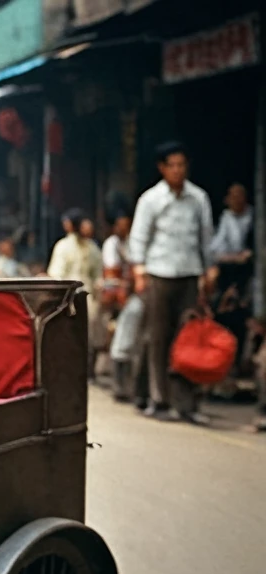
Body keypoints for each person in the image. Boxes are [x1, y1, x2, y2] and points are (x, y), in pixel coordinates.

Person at [128, 141, 217, 423]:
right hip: (158, 274)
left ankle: (187, 404)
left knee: (188, 340)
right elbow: (139, 237)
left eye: (182, 165)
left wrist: (209, 269)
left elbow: (206, 237)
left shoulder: (198, 198)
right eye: (172, 165)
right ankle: (159, 399)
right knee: (158, 338)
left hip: (189, 273)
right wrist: (139, 272)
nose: (178, 170)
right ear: (162, 168)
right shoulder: (151, 200)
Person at [48, 209, 104, 378]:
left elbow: (98, 275)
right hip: (69, 296)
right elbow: (57, 274)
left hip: (83, 296)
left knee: (87, 333)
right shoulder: (64, 246)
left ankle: (85, 368)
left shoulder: (91, 247)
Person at [208, 183, 254, 375]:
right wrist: (234, 258)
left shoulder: (254, 218)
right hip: (228, 276)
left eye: (239, 195)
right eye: (232, 196)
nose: (236, 200)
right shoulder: (226, 218)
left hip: (250, 276)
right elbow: (215, 251)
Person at [103, 211, 146, 402]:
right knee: (121, 339)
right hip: (117, 295)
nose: (124, 229)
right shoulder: (111, 244)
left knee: (133, 340)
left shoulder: (133, 243)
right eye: (121, 225)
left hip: (134, 295)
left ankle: (130, 385)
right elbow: (112, 273)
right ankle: (119, 384)